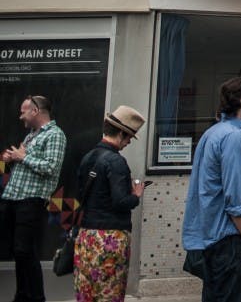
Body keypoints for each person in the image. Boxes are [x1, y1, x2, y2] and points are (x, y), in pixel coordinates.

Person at [182, 77, 241, 302]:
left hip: (213, 239)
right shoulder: (233, 138)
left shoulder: (214, 132)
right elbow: (235, 200)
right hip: (230, 242)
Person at [74, 106, 146, 302]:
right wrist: (136, 194)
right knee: (109, 293)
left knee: (87, 293)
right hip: (110, 239)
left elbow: (81, 194)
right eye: (129, 136)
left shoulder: (88, 157)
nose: (129, 141)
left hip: (86, 237)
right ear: (121, 133)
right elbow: (121, 202)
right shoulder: (116, 162)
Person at [1, 95, 67, 302]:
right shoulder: (31, 135)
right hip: (14, 198)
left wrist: (22, 157)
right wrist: (12, 159)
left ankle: (36, 297)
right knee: (18, 251)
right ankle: (22, 296)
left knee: (25, 250)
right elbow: (26, 165)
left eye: (23, 111)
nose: (21, 116)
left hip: (32, 200)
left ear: (35, 111)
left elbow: (51, 167)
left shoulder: (55, 135)